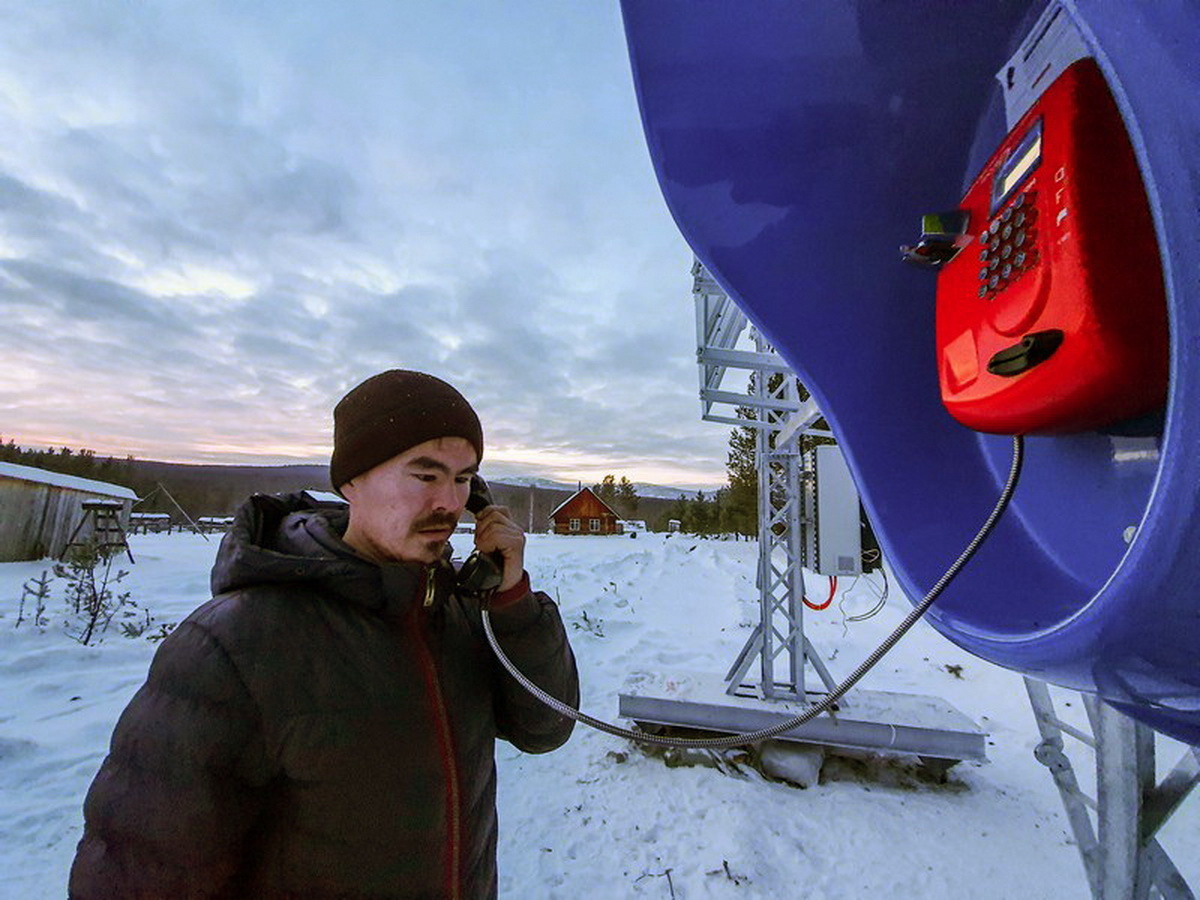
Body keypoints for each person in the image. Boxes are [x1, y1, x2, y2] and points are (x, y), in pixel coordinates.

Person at [69, 370, 580, 900]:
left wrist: (511, 595)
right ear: (351, 482)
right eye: (425, 476)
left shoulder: (453, 608)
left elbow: (546, 726)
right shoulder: (234, 645)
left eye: (463, 479)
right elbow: (138, 872)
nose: (450, 503)